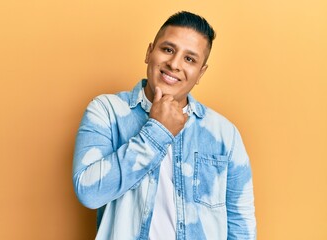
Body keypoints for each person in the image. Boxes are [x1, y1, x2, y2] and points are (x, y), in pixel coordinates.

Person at [73, 11, 256, 240]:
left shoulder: (224, 134)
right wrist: (156, 131)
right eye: (168, 49)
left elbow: (240, 224)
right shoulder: (106, 111)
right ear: (149, 52)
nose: (174, 64)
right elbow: (89, 193)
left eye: (190, 59)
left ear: (201, 72)